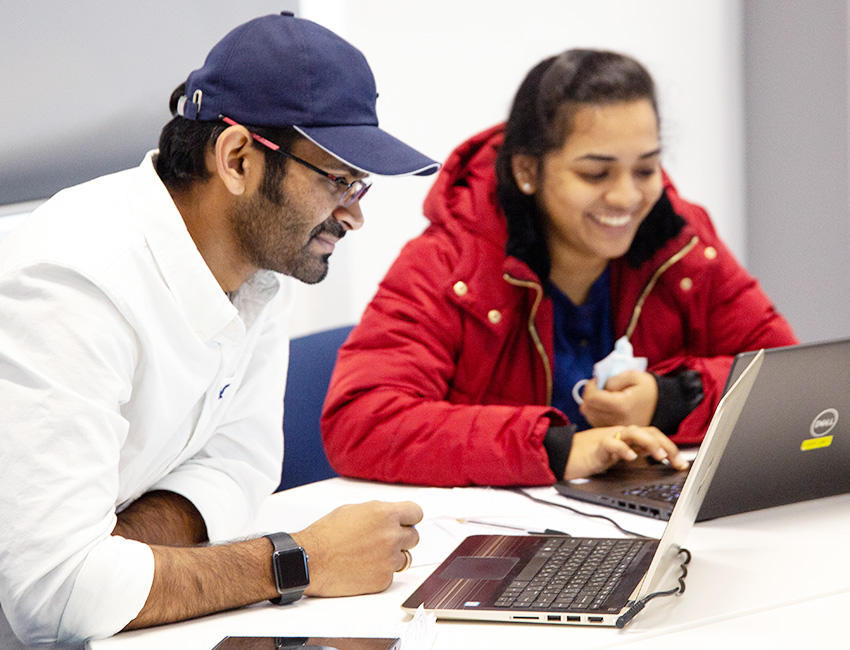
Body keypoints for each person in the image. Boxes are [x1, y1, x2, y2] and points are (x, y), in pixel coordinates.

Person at [0, 13, 439, 644]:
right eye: (339, 181)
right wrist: (299, 560)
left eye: (360, 185)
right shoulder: (70, 282)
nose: (354, 215)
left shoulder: (260, 270)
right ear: (237, 159)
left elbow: (241, 465)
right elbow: (57, 598)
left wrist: (119, 558)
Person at [321, 48, 797, 487]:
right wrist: (556, 448)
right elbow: (361, 422)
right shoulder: (449, 263)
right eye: (595, 173)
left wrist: (670, 398)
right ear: (528, 171)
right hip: (506, 551)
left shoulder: (683, 240)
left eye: (646, 169)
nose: (627, 197)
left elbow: (788, 381)